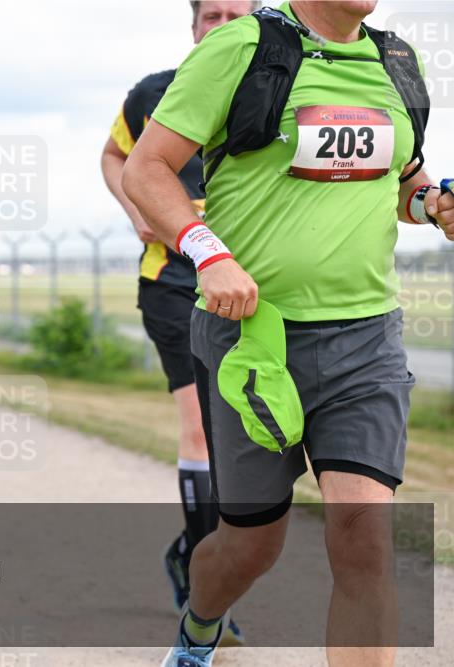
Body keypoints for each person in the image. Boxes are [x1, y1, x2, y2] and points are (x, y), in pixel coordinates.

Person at [122, 2, 452, 665]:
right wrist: (208, 254)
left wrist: (432, 205)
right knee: (251, 543)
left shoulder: (395, 62)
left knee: (365, 536)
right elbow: (146, 168)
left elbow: (402, 181)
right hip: (253, 342)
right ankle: (200, 627)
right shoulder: (238, 49)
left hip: (366, 342)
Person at [100, 0, 255, 636]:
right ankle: (201, 589)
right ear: (191, 27)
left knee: (239, 446)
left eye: (232, 16)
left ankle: (195, 555)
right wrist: (135, 208)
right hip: (170, 284)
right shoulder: (153, 94)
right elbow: (114, 157)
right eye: (209, 16)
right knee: (198, 431)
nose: (219, 27)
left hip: (249, 291)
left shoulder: (278, 88)